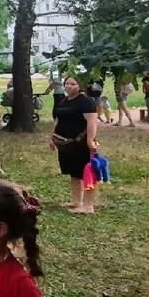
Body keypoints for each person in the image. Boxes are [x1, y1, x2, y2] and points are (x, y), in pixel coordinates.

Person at [50, 76, 100, 215]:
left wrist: (90, 140)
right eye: (67, 83)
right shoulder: (64, 100)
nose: (69, 86)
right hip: (66, 143)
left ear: (80, 85)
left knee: (87, 173)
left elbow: (92, 122)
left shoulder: (86, 102)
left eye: (73, 84)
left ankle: (88, 206)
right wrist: (52, 136)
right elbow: (58, 119)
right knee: (74, 172)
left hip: (81, 143)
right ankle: (77, 201)